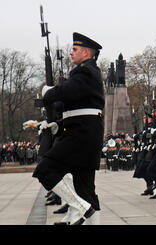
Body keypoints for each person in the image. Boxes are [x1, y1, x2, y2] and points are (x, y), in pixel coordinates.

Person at [31, 32, 103, 225]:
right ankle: (85, 209)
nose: (71, 53)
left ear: (86, 53)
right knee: (85, 188)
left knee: (45, 170)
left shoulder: (85, 72)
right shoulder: (89, 73)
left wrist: (49, 92)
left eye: (75, 49)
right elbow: (74, 104)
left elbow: (67, 92)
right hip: (85, 131)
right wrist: (57, 124)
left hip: (81, 134)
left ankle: (81, 208)